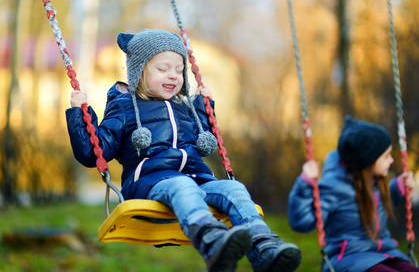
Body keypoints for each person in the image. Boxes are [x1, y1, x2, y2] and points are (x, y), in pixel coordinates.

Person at [65, 29, 302, 272]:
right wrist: (79, 115)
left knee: (233, 188)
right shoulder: (124, 108)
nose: (173, 76)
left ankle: (265, 250)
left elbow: (203, 142)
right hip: (149, 184)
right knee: (182, 186)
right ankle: (213, 243)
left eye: (179, 70)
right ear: (139, 70)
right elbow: (94, 153)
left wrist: (204, 107)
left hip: (196, 179)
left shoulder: (184, 107)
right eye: (163, 69)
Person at [288, 116, 418, 272]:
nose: (391, 160)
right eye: (386, 156)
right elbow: (301, 221)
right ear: (367, 161)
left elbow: (375, 203)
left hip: (384, 253)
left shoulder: (373, 181)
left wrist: (398, 189)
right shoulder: (333, 189)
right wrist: (304, 184)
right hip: (350, 260)